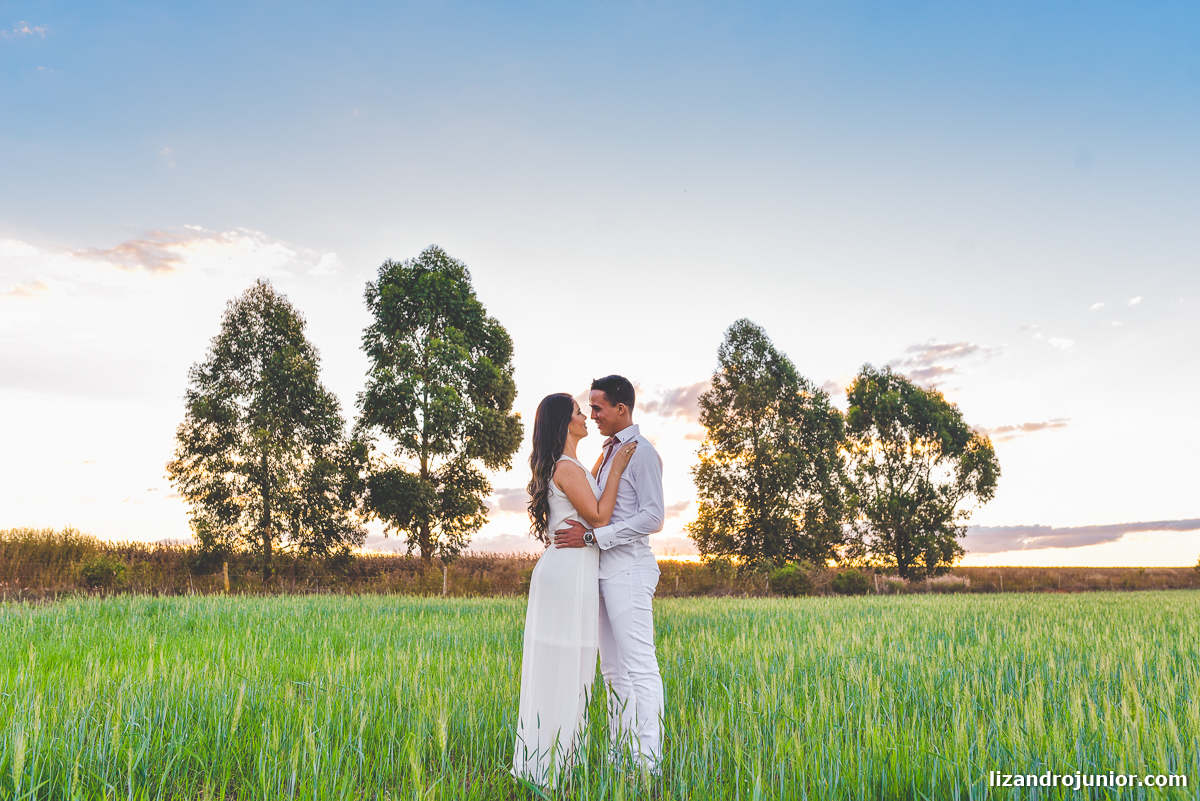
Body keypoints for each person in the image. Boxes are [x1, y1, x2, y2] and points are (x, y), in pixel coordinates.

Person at [512, 392, 637, 787]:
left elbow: (586, 495)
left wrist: (603, 461)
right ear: (565, 422)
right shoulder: (566, 468)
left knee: (568, 668)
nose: (586, 417)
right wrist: (616, 467)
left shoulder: (568, 465)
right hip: (566, 576)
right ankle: (548, 768)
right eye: (580, 412)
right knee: (563, 668)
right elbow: (599, 515)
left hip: (569, 572)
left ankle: (552, 763)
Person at [554, 374, 665, 772]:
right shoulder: (608, 454)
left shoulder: (642, 453)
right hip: (603, 574)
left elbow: (654, 517)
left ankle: (649, 764)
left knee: (640, 668)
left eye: (598, 407)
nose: (593, 414)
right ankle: (622, 760)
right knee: (614, 672)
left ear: (622, 409)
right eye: (589, 407)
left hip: (629, 571)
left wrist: (595, 538)